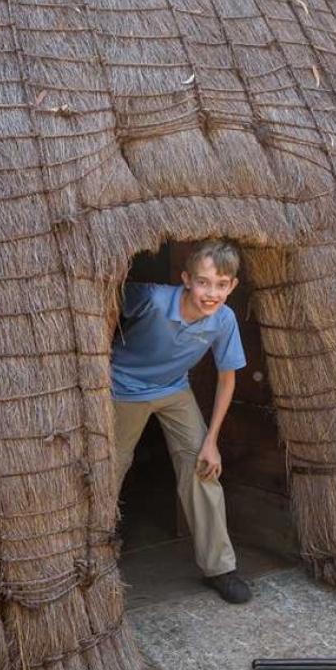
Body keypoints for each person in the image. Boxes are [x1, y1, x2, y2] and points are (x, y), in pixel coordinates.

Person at [111, 240, 252, 604]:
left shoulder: (224, 319)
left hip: (174, 389)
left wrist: (212, 440)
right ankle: (95, 557)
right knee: (109, 469)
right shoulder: (153, 299)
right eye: (204, 282)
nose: (212, 293)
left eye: (221, 284)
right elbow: (101, 296)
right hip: (122, 388)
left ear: (232, 286)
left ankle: (220, 567)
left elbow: (227, 378)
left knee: (202, 468)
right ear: (186, 279)